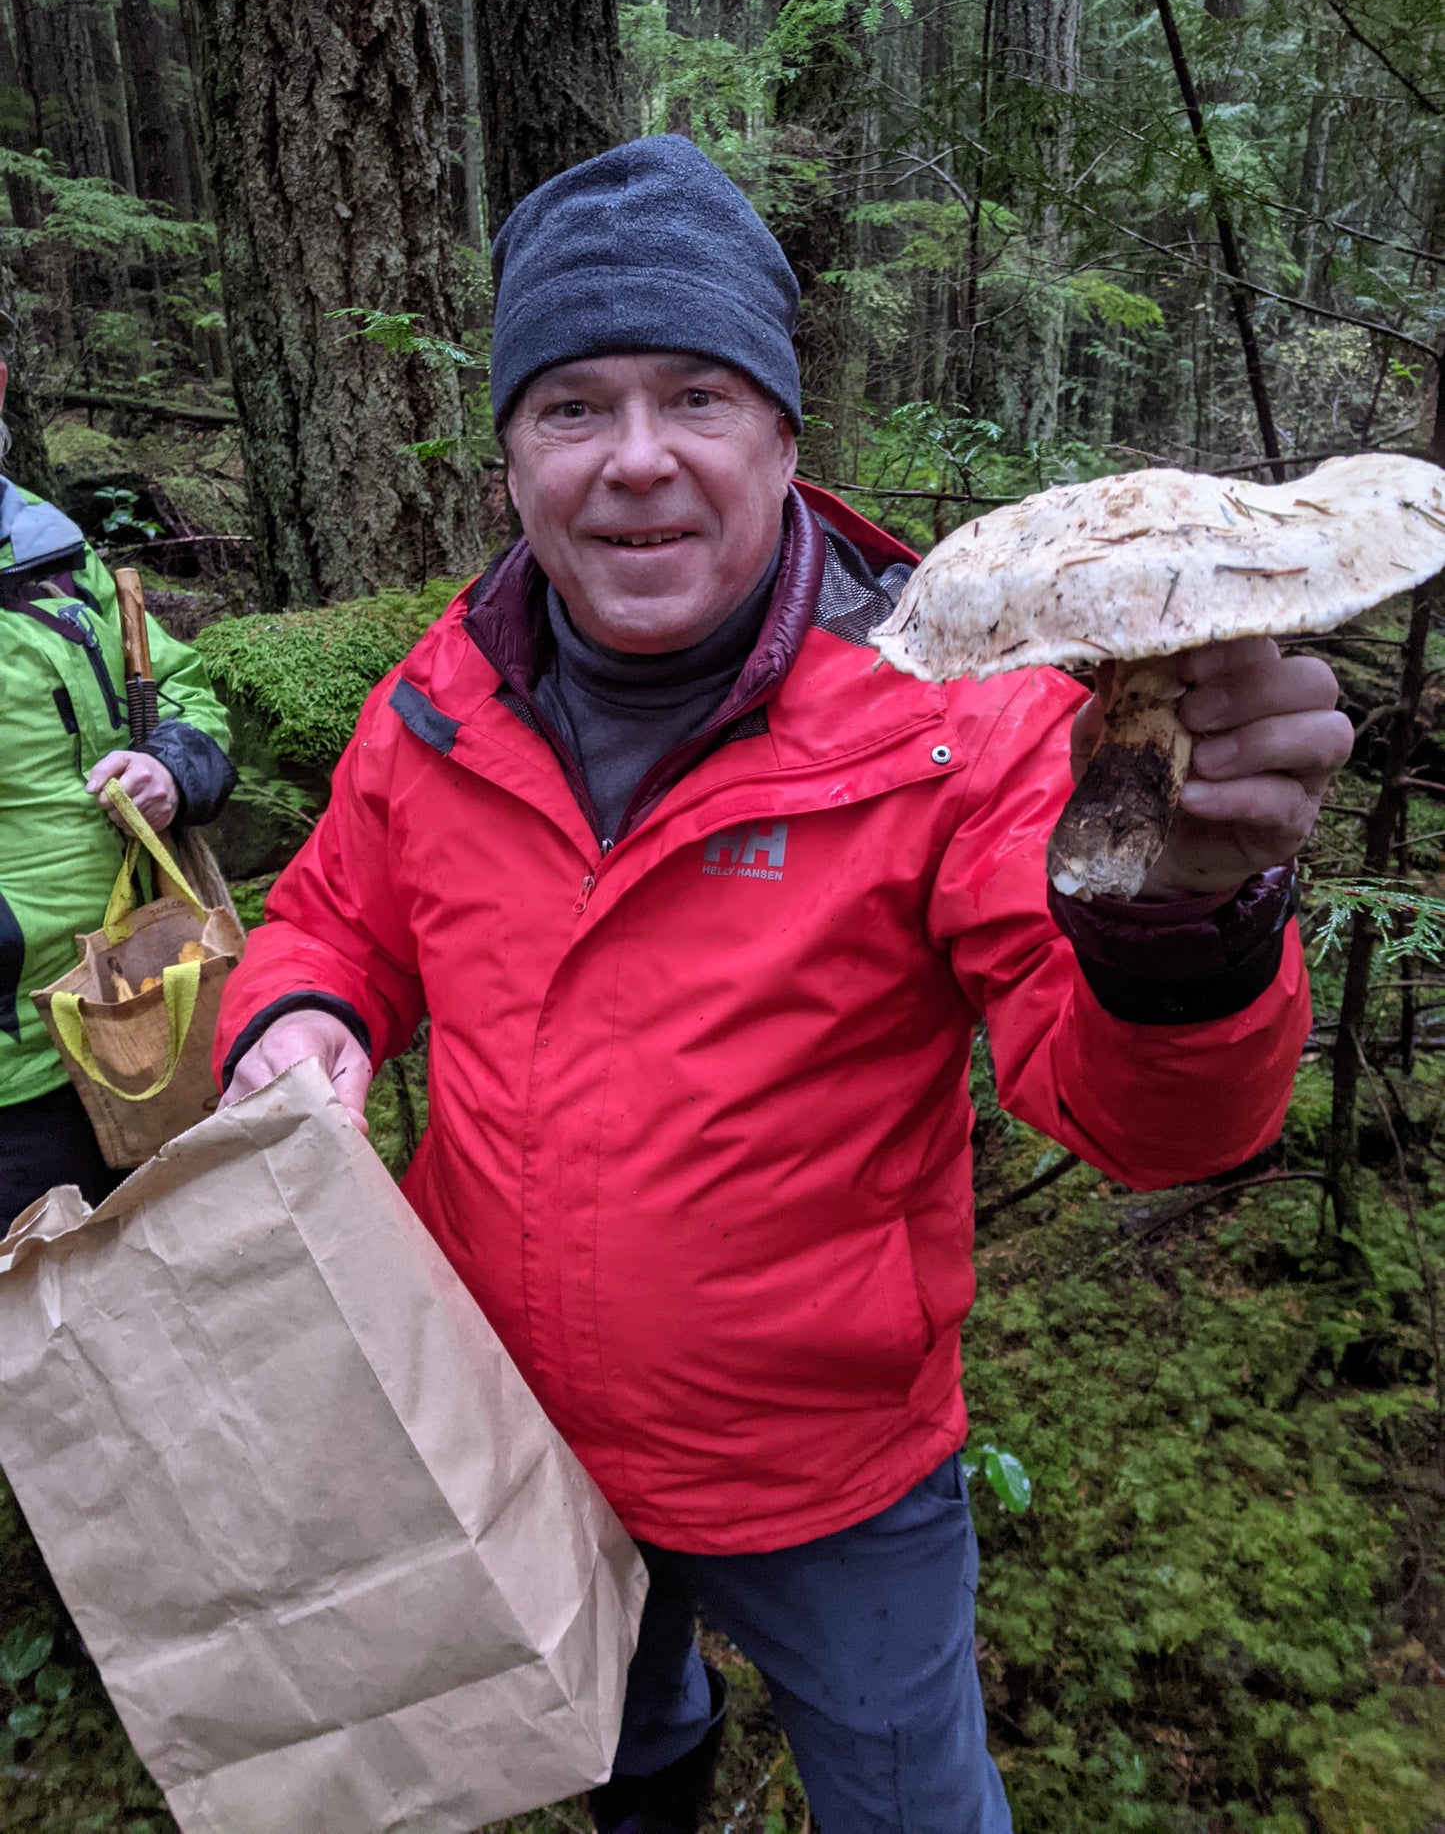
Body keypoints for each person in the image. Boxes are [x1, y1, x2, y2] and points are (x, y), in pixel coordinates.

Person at [214, 138, 1352, 1833]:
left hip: (826, 1474)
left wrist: (1180, 917)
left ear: (785, 436)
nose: (638, 462)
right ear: (513, 453)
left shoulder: (954, 722)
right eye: (573, 406)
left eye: (699, 395)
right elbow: (335, 916)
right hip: (504, 1419)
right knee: (617, 1727)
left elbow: (1145, 1121)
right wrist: (306, 1013)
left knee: (907, 1800)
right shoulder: (441, 701)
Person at [0, 364, 236, 1225]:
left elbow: (178, 687)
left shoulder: (50, 554)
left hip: (144, 1012)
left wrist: (171, 766)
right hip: (11, 1074)